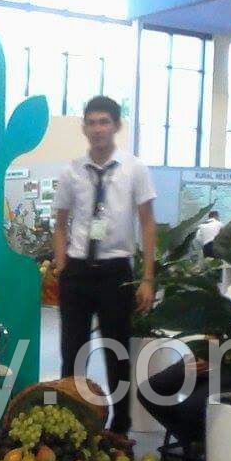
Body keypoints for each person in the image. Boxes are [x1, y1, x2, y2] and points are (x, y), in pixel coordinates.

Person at [52, 95, 157, 435]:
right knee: (72, 351)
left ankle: (119, 426)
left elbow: (148, 223)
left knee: (117, 355)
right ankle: (71, 418)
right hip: (78, 272)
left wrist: (147, 278)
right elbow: (60, 223)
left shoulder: (134, 168)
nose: (98, 129)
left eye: (104, 122)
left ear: (116, 126)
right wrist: (60, 261)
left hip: (116, 272)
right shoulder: (72, 171)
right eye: (92, 122)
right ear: (84, 127)